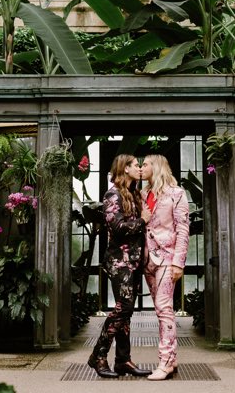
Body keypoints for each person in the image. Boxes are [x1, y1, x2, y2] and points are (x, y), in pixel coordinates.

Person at [87, 154, 152, 378]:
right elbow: (118, 227)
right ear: (125, 169)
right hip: (118, 261)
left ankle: (123, 360)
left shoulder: (133, 194)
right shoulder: (112, 194)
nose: (139, 168)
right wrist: (143, 220)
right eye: (135, 165)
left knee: (127, 313)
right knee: (123, 308)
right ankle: (99, 354)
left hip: (133, 262)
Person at [140, 154, 190, 381]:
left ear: (157, 167)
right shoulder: (143, 194)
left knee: (163, 307)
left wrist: (179, 262)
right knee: (162, 309)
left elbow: (183, 229)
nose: (142, 167)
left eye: (145, 164)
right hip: (147, 259)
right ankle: (172, 357)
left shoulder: (177, 194)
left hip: (168, 258)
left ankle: (166, 361)